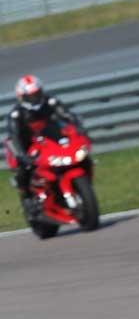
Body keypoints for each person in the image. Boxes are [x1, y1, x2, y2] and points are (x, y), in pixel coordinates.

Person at [6, 75, 87, 220]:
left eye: (37, 94)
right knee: (23, 168)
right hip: (27, 144)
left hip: (49, 138)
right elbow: (15, 137)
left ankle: (73, 189)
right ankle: (27, 200)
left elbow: (67, 115)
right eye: (30, 97)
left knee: (80, 154)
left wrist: (78, 128)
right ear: (21, 97)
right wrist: (23, 156)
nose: (35, 99)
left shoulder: (51, 102)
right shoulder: (16, 114)